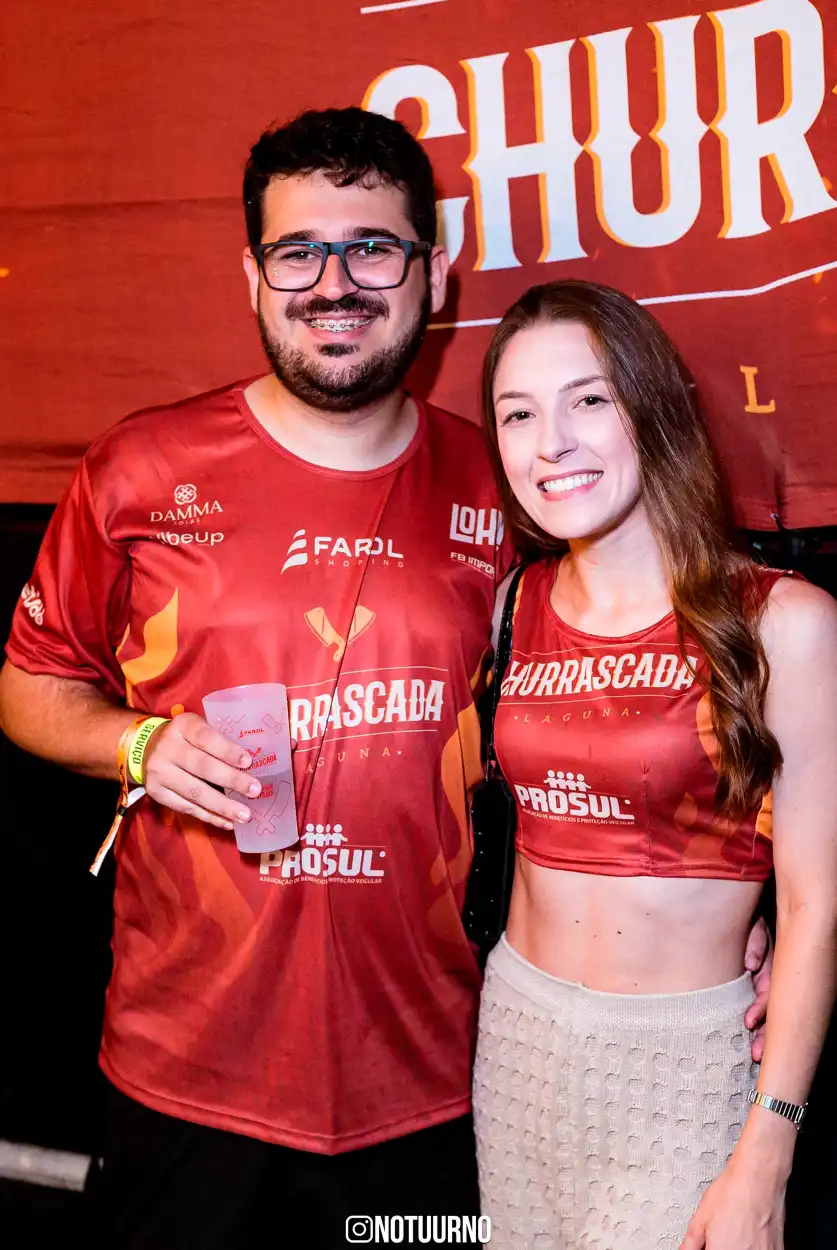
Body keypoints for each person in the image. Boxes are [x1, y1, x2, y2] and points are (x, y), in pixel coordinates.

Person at [0, 113, 770, 1248]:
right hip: (185, 1078)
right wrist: (137, 743)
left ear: (432, 273)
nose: (334, 283)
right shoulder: (138, 469)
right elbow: (30, 688)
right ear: (252, 276)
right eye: (298, 252)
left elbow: (644, 705)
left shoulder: (513, 480)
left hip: (435, 1082)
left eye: (371, 247)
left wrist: (732, 917)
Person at [472, 279, 837, 1250]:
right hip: (516, 1044)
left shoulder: (782, 621)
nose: (551, 443)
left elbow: (814, 904)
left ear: (654, 405)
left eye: (588, 399)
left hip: (685, 1069)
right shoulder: (512, 604)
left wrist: (770, 1147)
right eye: (518, 413)